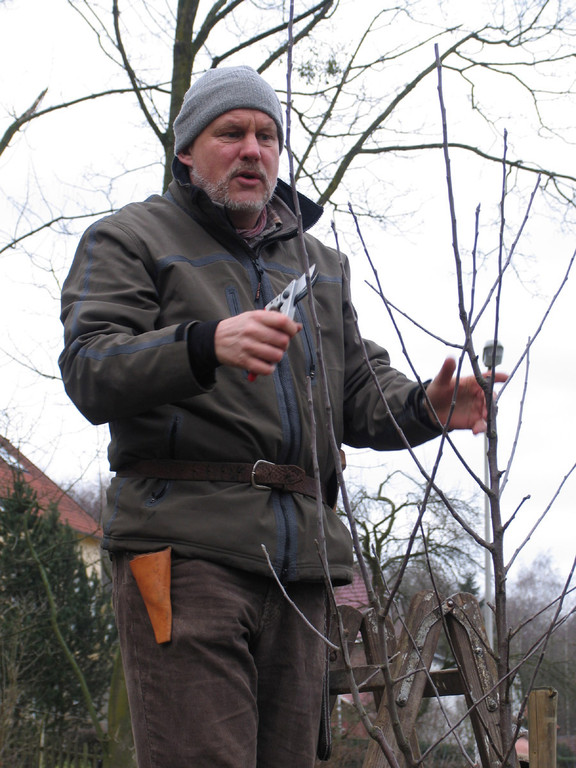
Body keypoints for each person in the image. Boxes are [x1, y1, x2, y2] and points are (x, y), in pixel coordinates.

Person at [59, 66, 504, 768]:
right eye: (230, 133)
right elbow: (91, 368)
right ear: (186, 150)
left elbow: (358, 393)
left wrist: (426, 406)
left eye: (267, 136)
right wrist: (204, 345)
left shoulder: (318, 261)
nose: (252, 150)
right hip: (184, 554)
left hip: (302, 570)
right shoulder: (129, 238)